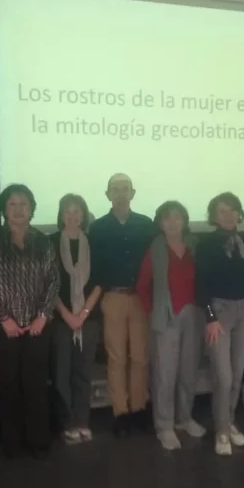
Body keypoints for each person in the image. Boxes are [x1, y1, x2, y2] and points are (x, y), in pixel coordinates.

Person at [0, 184, 59, 459]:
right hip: (5, 327)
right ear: (4, 209)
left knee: (36, 384)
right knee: (10, 385)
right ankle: (12, 442)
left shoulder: (44, 242)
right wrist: (4, 319)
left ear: (32, 208)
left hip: (38, 325)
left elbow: (53, 281)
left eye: (23, 203)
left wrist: (43, 316)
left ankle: (38, 439)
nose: (18, 209)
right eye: (12, 204)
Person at [195, 193, 244, 456]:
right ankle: (221, 431)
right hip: (219, 313)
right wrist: (210, 318)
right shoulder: (207, 244)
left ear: (239, 213)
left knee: (237, 373)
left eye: (232, 210)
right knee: (223, 377)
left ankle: (229, 421)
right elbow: (201, 284)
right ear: (214, 215)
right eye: (222, 211)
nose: (228, 215)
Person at [89, 173, 154, 437]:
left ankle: (138, 409)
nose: (119, 193)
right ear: (107, 195)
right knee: (116, 359)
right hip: (112, 298)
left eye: (124, 188)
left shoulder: (146, 225)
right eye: (114, 189)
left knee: (139, 357)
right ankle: (120, 412)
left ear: (133, 192)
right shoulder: (98, 228)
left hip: (140, 299)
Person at [136, 201, 204, 451]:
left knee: (188, 371)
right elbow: (142, 286)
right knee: (165, 375)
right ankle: (164, 426)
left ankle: (184, 419)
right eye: (167, 218)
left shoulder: (196, 245)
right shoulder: (155, 248)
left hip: (194, 315)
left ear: (185, 220)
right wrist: (154, 312)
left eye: (177, 217)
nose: (173, 222)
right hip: (166, 318)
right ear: (160, 222)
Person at [50, 194, 101, 445]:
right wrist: (68, 315)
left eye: (77, 211)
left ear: (84, 214)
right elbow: (49, 285)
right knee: (62, 373)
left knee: (83, 372)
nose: (72, 216)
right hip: (60, 319)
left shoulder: (93, 243)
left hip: (88, 319)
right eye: (67, 211)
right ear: (61, 215)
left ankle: (83, 421)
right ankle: (67, 423)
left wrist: (83, 315)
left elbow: (99, 283)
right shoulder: (49, 243)